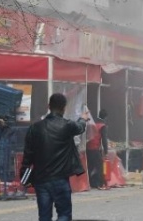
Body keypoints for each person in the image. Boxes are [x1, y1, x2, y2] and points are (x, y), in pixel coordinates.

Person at [20, 93, 90, 221]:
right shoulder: (67, 125)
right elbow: (80, 127)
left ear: (49, 106)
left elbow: (27, 155)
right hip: (60, 178)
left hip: (40, 179)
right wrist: (83, 118)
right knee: (64, 214)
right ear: (64, 108)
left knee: (44, 216)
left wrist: (24, 175)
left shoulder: (34, 128)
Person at [86, 109, 109, 190]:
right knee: (99, 166)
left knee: (90, 166)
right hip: (95, 148)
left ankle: (91, 183)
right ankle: (99, 183)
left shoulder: (93, 123)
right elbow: (104, 140)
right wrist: (106, 151)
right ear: (105, 117)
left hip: (88, 148)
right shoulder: (102, 126)